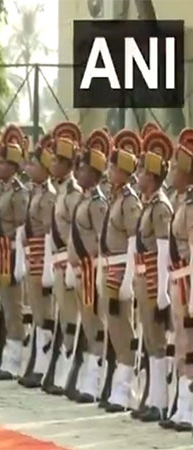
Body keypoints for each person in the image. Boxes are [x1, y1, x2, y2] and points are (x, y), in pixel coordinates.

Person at [131, 130, 174, 423]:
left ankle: (160, 403)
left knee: (157, 343)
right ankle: (153, 399)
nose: (138, 175)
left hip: (153, 280)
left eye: (143, 170)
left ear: (154, 176)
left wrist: (162, 291)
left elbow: (163, 251)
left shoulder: (160, 208)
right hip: (142, 278)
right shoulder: (147, 204)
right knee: (149, 342)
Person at [98, 129, 142, 413]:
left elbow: (132, 241)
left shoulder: (129, 201)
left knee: (122, 328)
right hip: (108, 269)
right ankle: (117, 386)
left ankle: (125, 389)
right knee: (113, 328)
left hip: (120, 269)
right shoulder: (115, 196)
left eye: (113, 167)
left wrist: (128, 278)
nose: (109, 171)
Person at [66, 129, 109, 404]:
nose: (78, 173)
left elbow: (100, 239)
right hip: (81, 268)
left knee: (96, 324)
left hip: (93, 268)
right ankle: (90, 379)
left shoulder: (97, 202)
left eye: (82, 169)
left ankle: (97, 381)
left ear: (94, 173)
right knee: (87, 322)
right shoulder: (84, 198)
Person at [44, 122, 83, 396]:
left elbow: (75, 233)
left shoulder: (73, 194)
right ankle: (64, 372)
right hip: (57, 261)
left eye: (57, 160)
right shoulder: (59, 191)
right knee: (64, 317)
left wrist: (71, 264)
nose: (52, 164)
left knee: (72, 320)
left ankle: (73, 372)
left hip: (70, 263)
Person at [159, 128, 193, 431]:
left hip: (189, 283)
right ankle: (182, 406)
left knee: (191, 346)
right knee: (182, 345)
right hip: (178, 280)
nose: (170, 171)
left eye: (174, 167)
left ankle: (190, 408)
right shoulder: (181, 201)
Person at [0, 125, 28, 380]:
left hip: (13, 253)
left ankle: (15, 360)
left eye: (3, 163)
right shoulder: (2, 189)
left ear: (14, 167)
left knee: (14, 308)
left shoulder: (19, 193)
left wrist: (19, 261)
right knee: (5, 305)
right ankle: (6, 354)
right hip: (2, 253)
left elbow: (23, 229)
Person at [19, 135, 56, 388]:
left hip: (44, 257)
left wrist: (46, 267)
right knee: (37, 314)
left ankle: (45, 367)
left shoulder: (50, 196)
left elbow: (50, 234)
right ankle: (38, 365)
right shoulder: (36, 193)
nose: (29, 169)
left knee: (46, 314)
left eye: (34, 165)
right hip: (34, 255)